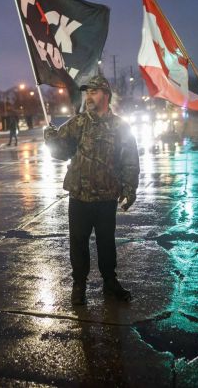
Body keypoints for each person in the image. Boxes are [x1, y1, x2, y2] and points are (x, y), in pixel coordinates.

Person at [43, 75, 140, 306]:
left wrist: (130, 188)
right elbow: (61, 153)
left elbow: (130, 160)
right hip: (80, 196)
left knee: (106, 242)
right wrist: (50, 138)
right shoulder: (77, 123)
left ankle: (110, 282)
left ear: (106, 95)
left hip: (106, 196)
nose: (88, 97)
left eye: (93, 92)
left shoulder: (120, 126)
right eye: (87, 93)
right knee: (78, 242)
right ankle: (79, 284)